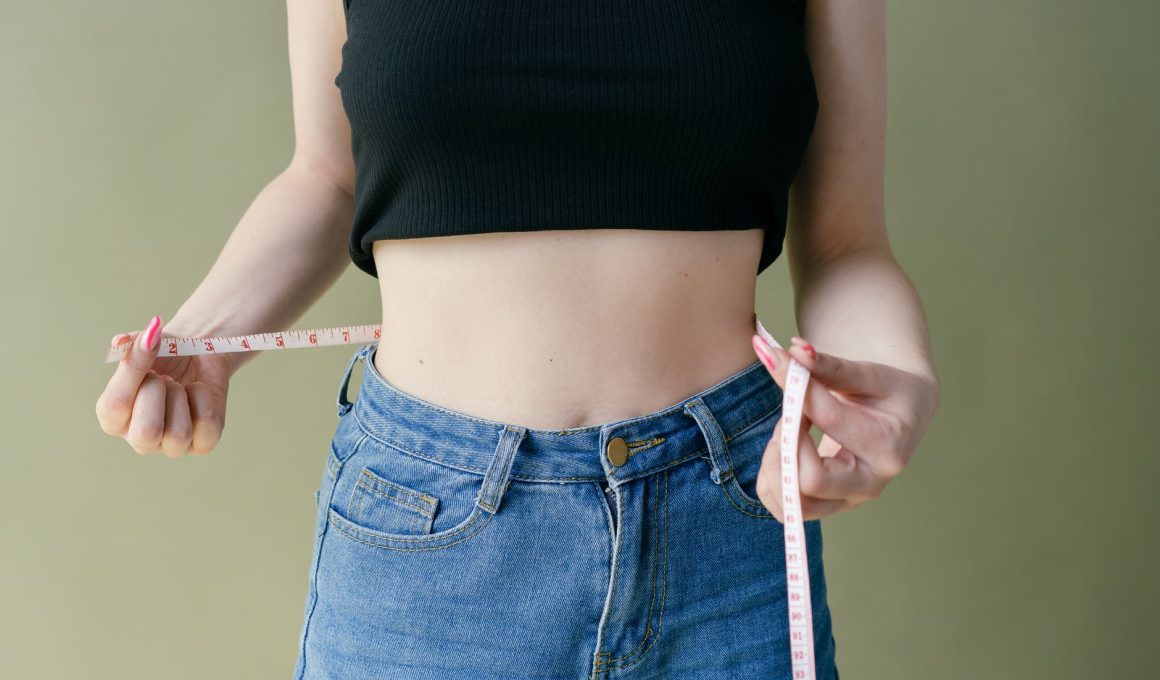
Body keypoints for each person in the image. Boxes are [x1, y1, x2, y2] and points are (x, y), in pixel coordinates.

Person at [95, 0, 939, 677]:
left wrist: (896, 383)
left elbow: (845, 243)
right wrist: (205, 338)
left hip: (727, 519)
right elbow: (325, 175)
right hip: (428, 529)